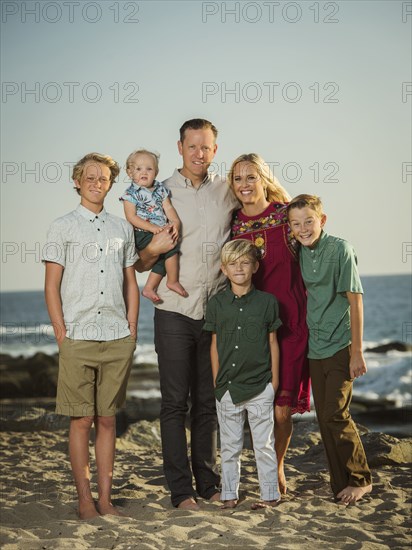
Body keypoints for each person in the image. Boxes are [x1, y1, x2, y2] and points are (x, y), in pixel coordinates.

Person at [135, 118, 239, 509]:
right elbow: (142, 261)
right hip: (174, 310)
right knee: (175, 404)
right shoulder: (158, 193)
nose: (199, 153)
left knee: (209, 403)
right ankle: (181, 491)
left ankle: (209, 482)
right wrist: (153, 249)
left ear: (215, 149)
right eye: (192, 146)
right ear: (179, 147)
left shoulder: (226, 190)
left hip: (215, 313)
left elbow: (264, 205)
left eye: (206, 147)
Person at [43, 153, 139, 519]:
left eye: (104, 178)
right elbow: (52, 287)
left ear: (111, 183)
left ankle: (105, 499)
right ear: (78, 181)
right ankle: (84, 500)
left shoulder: (122, 228)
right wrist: (61, 335)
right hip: (78, 337)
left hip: (117, 336)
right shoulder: (62, 227)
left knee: (109, 420)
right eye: (90, 177)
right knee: (81, 420)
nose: (97, 182)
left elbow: (130, 280)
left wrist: (131, 327)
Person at [228, 153, 310, 495]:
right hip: (251, 327)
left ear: (263, 179)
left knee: (280, 409)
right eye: (238, 179)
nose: (245, 185)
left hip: (290, 322)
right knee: (255, 406)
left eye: (251, 177)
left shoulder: (285, 214)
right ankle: (262, 466)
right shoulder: (232, 224)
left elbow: (316, 250)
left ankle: (275, 467)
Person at [286, 194, 372, 505]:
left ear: (323, 220)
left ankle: (361, 479)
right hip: (314, 346)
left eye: (309, 221)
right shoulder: (300, 251)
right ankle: (341, 484)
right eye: (296, 224)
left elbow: (356, 301)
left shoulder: (341, 250)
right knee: (324, 417)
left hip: (340, 345)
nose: (303, 228)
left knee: (337, 413)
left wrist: (357, 352)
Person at [204, 240, 282, 510]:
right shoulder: (216, 304)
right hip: (227, 387)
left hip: (261, 385)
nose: (239, 268)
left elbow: (273, 342)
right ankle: (229, 494)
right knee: (230, 446)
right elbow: (214, 344)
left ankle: (270, 495)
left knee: (264, 445)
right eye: (233, 264)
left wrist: (274, 381)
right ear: (224, 269)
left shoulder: (268, 302)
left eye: (245, 262)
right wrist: (217, 380)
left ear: (255, 266)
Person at [120, 149, 187, 303]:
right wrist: (152, 229)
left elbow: (168, 208)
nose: (144, 172)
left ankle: (150, 287)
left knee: (165, 257)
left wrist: (175, 222)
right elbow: (131, 217)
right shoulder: (131, 194)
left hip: (160, 231)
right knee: (172, 250)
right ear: (130, 173)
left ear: (156, 172)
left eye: (149, 169)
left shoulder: (160, 189)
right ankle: (173, 280)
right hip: (142, 232)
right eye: (138, 169)